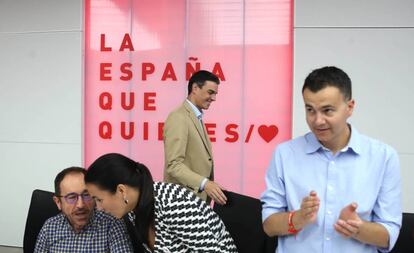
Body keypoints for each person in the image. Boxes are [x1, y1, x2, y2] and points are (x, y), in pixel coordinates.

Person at [261, 66, 402, 253]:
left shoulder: (383, 157)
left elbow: (388, 234)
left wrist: (357, 228)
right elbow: (269, 225)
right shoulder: (285, 154)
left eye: (327, 110)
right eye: (310, 110)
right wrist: (298, 218)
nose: (317, 121)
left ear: (349, 107)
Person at [85, 153, 238, 253]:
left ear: (121, 190)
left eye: (99, 199)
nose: (99, 208)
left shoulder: (172, 201)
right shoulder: (134, 208)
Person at [163, 70, 227, 205]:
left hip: (194, 202)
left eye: (215, 94)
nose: (214, 98)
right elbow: (173, 165)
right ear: (195, 88)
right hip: (181, 204)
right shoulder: (179, 117)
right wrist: (205, 183)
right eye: (211, 92)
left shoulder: (194, 116)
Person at [34, 167, 133, 252]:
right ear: (58, 202)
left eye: (86, 195)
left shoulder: (112, 224)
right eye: (72, 197)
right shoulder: (50, 227)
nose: (80, 205)